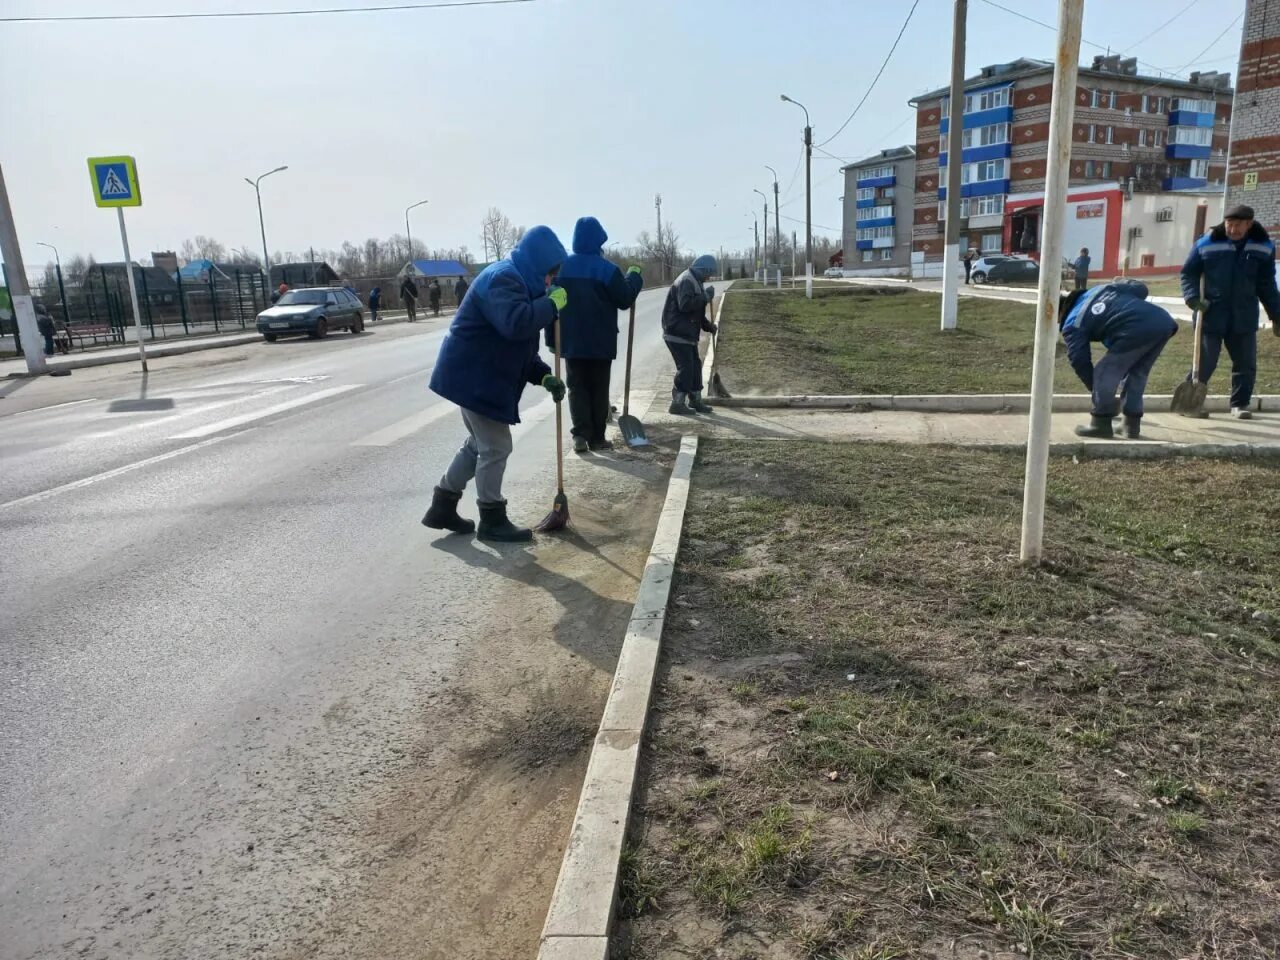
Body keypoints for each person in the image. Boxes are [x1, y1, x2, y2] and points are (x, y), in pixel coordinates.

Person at [423, 225, 568, 543]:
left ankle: (442, 505)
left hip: (476, 376)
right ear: (537, 264)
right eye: (549, 274)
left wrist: (544, 376)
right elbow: (516, 324)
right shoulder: (503, 278)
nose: (550, 282)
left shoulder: (522, 285)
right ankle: (491, 518)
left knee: (479, 445)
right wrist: (552, 305)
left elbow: (520, 349)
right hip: (475, 378)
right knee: (497, 446)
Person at [550, 216, 643, 453]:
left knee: (576, 387)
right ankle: (598, 438)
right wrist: (634, 276)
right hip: (600, 342)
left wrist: (552, 340)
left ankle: (580, 435)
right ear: (597, 241)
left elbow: (551, 306)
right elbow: (624, 299)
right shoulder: (608, 269)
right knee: (599, 388)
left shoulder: (562, 269)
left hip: (571, 342)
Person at [1181, 204, 1280, 419]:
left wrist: (1276, 314)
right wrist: (1192, 298)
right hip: (1211, 312)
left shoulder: (1263, 246)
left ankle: (1240, 405)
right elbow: (1188, 273)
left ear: (1249, 224)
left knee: (1245, 363)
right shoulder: (1207, 243)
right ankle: (1190, 404)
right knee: (1204, 361)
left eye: (1238, 225)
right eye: (1229, 225)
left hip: (1243, 315)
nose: (1233, 229)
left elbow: (1267, 285)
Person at [1060, 280, 1178, 439]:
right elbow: (1141, 289)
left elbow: (1080, 361)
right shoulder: (1102, 288)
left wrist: (1096, 389)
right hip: (1162, 321)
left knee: (1104, 372)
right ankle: (1130, 425)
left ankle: (1100, 424)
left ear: (1060, 311)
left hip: (1135, 328)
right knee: (1137, 373)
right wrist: (1125, 282)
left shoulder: (1072, 323)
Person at [662, 254, 718, 415]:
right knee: (686, 368)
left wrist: (708, 326)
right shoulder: (686, 280)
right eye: (709, 273)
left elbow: (696, 313)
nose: (709, 277)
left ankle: (695, 400)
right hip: (677, 333)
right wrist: (705, 297)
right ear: (703, 270)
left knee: (694, 368)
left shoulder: (696, 281)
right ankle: (677, 403)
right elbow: (685, 306)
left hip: (687, 334)